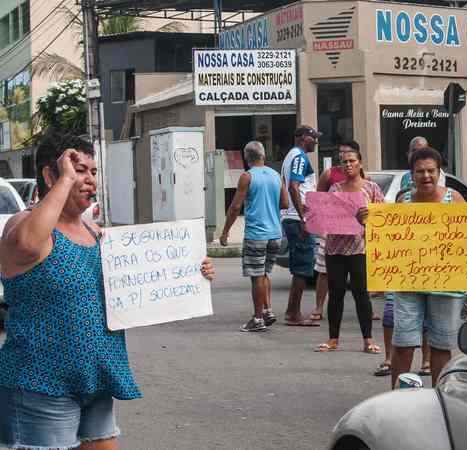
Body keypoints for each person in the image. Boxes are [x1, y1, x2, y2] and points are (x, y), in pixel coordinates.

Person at [0, 130, 216, 450]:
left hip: (96, 382)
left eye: (92, 171)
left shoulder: (96, 233)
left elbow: (141, 282)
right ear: (50, 175)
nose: (89, 180)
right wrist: (63, 181)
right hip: (39, 385)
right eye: (78, 171)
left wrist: (191, 271)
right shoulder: (23, 224)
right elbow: (27, 245)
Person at [389, 147, 467, 387]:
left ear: (439, 172)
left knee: (442, 344)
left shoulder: (454, 199)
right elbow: (388, 239)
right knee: (403, 341)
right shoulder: (404, 202)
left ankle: (438, 396)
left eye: (431, 171)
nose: (426, 176)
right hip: (409, 281)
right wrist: (366, 223)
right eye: (420, 171)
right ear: (411, 175)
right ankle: (395, 395)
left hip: (447, 283)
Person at [315, 143, 384, 354]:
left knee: (361, 294)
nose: (348, 165)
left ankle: (368, 339)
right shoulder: (335, 189)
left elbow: (382, 219)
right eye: (344, 162)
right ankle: (333, 339)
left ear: (360, 163)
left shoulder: (371, 188)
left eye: (352, 161)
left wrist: (367, 219)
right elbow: (324, 215)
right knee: (335, 294)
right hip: (335, 248)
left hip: (360, 249)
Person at [220, 141, 288, 332]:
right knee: (264, 273)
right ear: (263, 156)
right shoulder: (275, 175)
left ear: (246, 158)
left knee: (256, 276)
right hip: (275, 234)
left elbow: (235, 207)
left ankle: (257, 319)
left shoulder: (247, 177)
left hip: (256, 234)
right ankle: (267, 310)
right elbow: (284, 203)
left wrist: (225, 232)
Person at [281, 125, 321, 327]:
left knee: (301, 266)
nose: (316, 141)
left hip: (295, 218)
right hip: (298, 220)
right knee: (303, 267)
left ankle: (292, 311)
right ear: (304, 138)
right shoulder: (299, 157)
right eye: (314, 138)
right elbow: (294, 187)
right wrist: (303, 218)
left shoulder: (292, 155)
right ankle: (293, 313)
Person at [310, 142, 355, 322]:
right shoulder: (330, 174)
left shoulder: (362, 177)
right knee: (324, 270)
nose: (344, 158)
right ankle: (319, 306)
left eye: (349, 155)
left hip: (355, 231)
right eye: (341, 153)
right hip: (331, 230)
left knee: (359, 271)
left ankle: (366, 307)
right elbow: (318, 200)